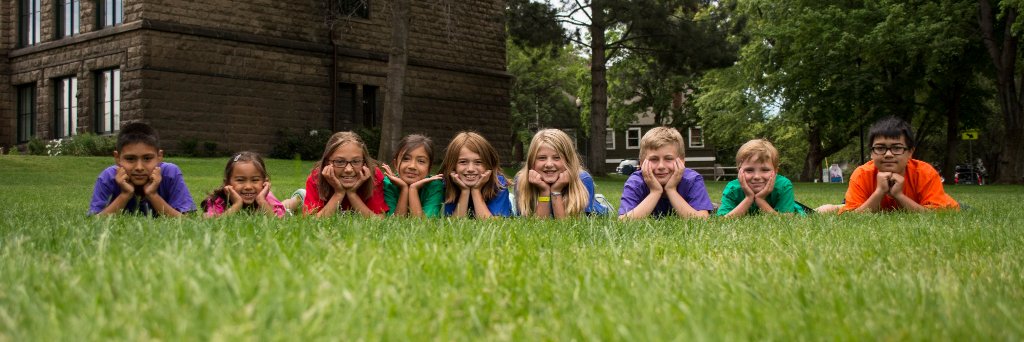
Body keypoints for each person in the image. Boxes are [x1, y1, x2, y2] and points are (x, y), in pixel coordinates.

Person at [840, 116, 959, 213]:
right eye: (880, 148)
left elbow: (941, 213)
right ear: (871, 153)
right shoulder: (862, 174)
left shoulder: (924, 173)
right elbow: (851, 217)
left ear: (910, 153)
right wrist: (879, 191)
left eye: (896, 148)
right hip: (876, 204)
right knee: (825, 209)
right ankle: (838, 206)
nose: (888, 154)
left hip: (930, 202)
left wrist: (899, 195)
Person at [88, 122, 195, 217]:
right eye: (130, 159)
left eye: (147, 158)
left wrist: (153, 195)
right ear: (117, 158)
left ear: (159, 157)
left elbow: (187, 220)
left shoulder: (170, 173)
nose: (139, 167)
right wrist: (125, 194)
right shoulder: (108, 177)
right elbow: (94, 221)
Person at [618, 127, 714, 219]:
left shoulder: (692, 180)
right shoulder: (636, 182)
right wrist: (655, 192)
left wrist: (671, 189)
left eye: (668, 159)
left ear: (682, 162)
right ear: (642, 163)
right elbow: (623, 221)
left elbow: (702, 220)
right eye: (654, 159)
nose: (661, 166)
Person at [514, 129, 607, 218]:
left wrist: (556, 191)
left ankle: (599, 200)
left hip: (596, 210)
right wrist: (544, 191)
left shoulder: (583, 179)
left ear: (568, 160)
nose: (549, 164)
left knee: (598, 203)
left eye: (557, 158)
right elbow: (539, 226)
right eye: (542, 158)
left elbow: (567, 226)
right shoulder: (521, 180)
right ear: (531, 161)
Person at [303, 131, 388, 217]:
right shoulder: (317, 177)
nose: (348, 169)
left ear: (364, 163)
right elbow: (311, 221)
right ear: (327, 163)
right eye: (340, 161)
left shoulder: (374, 176)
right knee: (299, 199)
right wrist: (339, 193)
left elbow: (379, 219)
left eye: (356, 161)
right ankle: (298, 197)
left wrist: (352, 194)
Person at [718, 139, 806, 217]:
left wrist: (760, 200)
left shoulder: (783, 185)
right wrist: (749, 198)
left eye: (765, 170)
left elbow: (786, 220)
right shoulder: (732, 188)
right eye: (749, 170)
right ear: (739, 171)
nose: (757, 177)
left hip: (797, 211)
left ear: (775, 171)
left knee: (815, 212)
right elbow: (723, 220)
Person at [439, 131, 512, 218]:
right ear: (453, 165)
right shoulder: (447, 184)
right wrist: (465, 191)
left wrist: (476, 190)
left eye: (478, 162)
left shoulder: (499, 183)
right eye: (463, 162)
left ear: (488, 165)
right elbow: (453, 223)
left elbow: (493, 226)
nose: (470, 169)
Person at [201, 152, 286, 218]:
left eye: (255, 180)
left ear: (265, 182)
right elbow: (213, 223)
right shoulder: (220, 200)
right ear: (227, 183)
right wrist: (237, 204)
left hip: (281, 206)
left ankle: (297, 198)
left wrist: (261, 201)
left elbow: (277, 222)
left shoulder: (266, 198)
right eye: (240, 180)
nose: (248, 187)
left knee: (288, 206)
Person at [380, 134, 445, 217]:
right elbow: (395, 221)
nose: (412, 166)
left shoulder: (434, 185)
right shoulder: (388, 184)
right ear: (396, 164)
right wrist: (404, 188)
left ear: (429, 168)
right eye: (406, 159)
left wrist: (413, 189)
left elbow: (425, 225)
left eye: (421, 161)